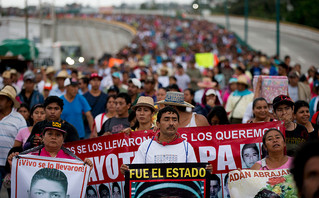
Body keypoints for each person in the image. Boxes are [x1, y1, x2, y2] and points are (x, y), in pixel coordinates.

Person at [120, 106, 197, 168]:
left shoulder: (187, 147)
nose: (171, 123)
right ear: (158, 124)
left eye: (174, 120)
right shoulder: (146, 146)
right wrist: (127, 171)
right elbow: (135, 172)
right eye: (166, 120)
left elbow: (196, 175)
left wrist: (206, 171)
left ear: (178, 123)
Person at [0, 85, 27, 192]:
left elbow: (24, 142)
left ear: (10, 102)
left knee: (13, 193)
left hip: (11, 165)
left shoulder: (19, 119)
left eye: (2, 99)